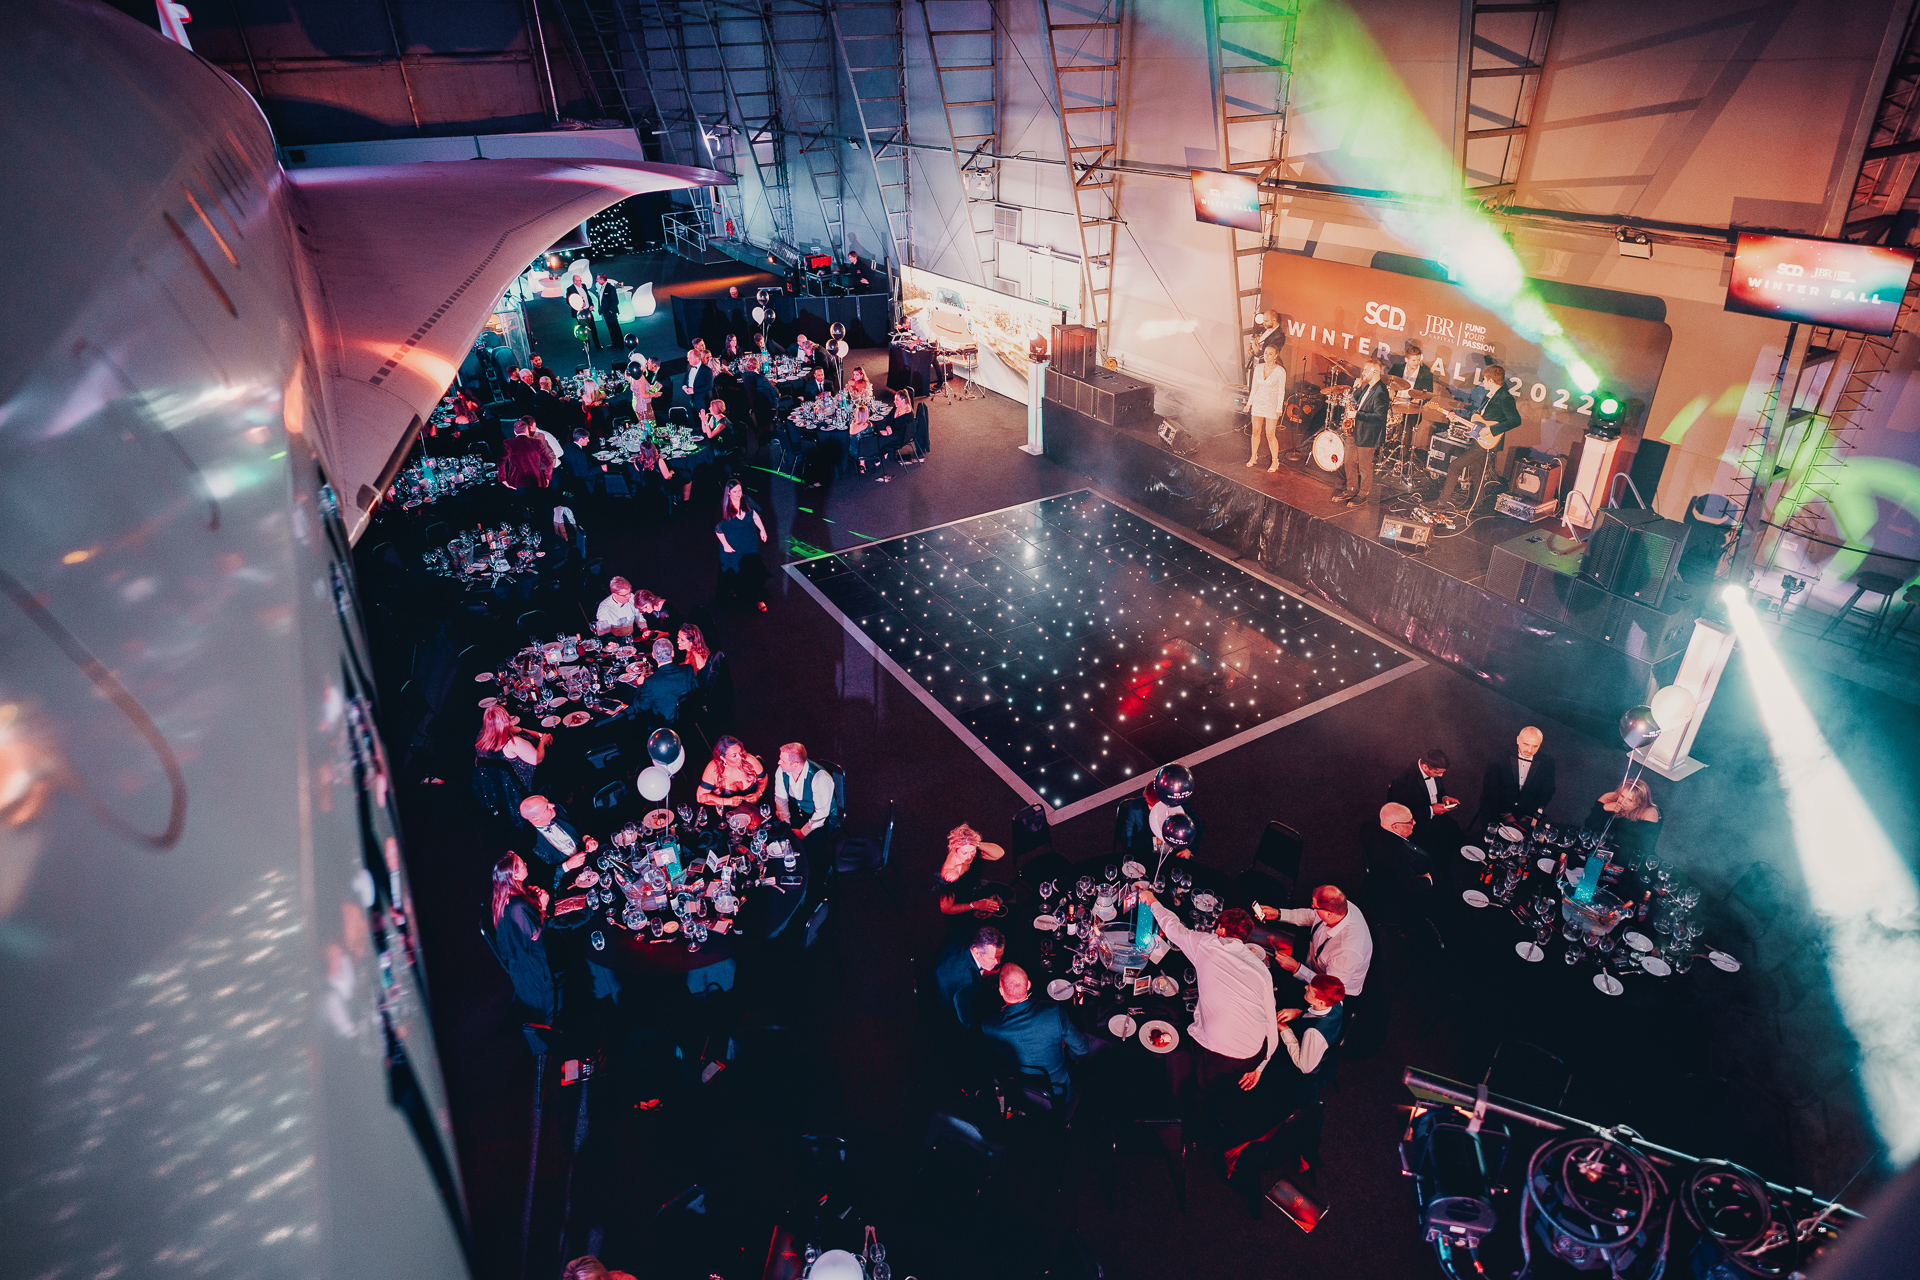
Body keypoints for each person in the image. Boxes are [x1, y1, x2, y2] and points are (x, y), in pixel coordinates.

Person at [1138, 890, 1279, 1127]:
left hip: (1219, 1052)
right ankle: (1226, 1109)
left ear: (1221, 930)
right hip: (1254, 1053)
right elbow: (1270, 1025)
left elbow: (1172, 927)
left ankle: (1194, 1129)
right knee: (1229, 1087)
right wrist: (1261, 1066)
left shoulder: (1208, 944)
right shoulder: (1261, 968)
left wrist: (1152, 900)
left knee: (1202, 1087)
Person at [978, 964, 1095, 1100]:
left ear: (1001, 991)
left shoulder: (989, 1026)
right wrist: (1063, 1049)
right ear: (1028, 985)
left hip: (1020, 1092)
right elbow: (1083, 1048)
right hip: (1058, 1091)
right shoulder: (1053, 1012)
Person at [1259, 885, 1373, 997]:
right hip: (1312, 960)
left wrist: (1296, 968)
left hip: (1326, 990)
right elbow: (1311, 916)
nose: (1312, 906)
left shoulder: (1347, 953)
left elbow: (1329, 987)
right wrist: (1279, 914)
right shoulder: (1340, 906)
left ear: (1329, 913)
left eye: (1315, 906)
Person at [1438, 363, 1521, 509]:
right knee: (1477, 472)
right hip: (1479, 440)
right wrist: (1455, 417)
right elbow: (1477, 419)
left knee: (1454, 467)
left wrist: (1492, 430)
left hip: (1488, 440)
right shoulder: (1489, 397)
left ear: (1491, 380)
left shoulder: (1505, 397)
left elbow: (1515, 420)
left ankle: (1442, 502)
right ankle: (1477, 504)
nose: (1482, 382)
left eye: (1484, 379)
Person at [489, 853, 557, 1019]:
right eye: (522, 863)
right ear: (515, 875)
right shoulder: (517, 907)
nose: (526, 863)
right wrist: (543, 906)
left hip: (518, 965)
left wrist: (530, 892)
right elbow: (536, 935)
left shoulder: (503, 897)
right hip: (533, 972)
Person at [1361, 803, 1434, 933]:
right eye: (1410, 822)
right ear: (1395, 826)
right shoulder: (1400, 856)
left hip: (1379, 879)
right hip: (1397, 901)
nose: (1415, 823)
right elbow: (1411, 887)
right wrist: (1428, 881)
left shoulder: (1370, 829)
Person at [1271, 975, 1347, 1098]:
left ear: (1320, 1002)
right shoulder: (1336, 1003)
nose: (1306, 987)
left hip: (1303, 1075)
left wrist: (1285, 1030)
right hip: (1324, 1045)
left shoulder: (1314, 1033)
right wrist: (1298, 1012)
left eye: (1310, 989)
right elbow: (1316, 1014)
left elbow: (1304, 1067)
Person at [1114, 764, 1203, 864]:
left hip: (1173, 856)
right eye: (1149, 804)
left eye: (1155, 805)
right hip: (1145, 855)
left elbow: (1198, 826)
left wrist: (1189, 850)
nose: (1153, 809)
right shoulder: (1136, 806)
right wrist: (1154, 842)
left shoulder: (1180, 805)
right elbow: (1127, 840)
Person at [1477, 725, 1557, 832]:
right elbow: (1490, 787)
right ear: (1518, 740)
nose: (1529, 750)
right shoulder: (1499, 755)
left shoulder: (1548, 762)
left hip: (1526, 810)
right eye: (1526, 744)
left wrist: (1528, 815)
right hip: (1497, 805)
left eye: (1535, 746)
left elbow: (1547, 792)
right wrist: (1507, 814)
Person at [1335, 357, 1391, 506]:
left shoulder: (1381, 392)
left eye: (1366, 370)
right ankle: (1350, 490)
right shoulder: (1367, 386)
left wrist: (1357, 415)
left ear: (1375, 372)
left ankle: (1363, 494)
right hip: (1356, 431)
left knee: (1364, 467)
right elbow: (1355, 402)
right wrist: (1357, 389)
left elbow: (1379, 417)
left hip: (1368, 434)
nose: (1363, 372)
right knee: (1349, 461)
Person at [771, 742, 840, 860]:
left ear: (795, 764)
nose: (779, 762)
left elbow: (822, 814)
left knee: (811, 849)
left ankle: (821, 872)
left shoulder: (820, 778)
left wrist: (803, 832)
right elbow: (781, 799)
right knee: (778, 835)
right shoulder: (781, 771)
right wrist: (786, 825)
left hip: (820, 819)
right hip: (799, 810)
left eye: (783, 760)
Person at [1389, 748, 1462, 856]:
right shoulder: (1403, 781)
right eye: (1437, 772)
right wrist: (1431, 810)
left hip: (1437, 819)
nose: (1441, 776)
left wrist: (1444, 798)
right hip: (1418, 825)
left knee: (1459, 837)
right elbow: (1402, 815)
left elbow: (1439, 787)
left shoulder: (1433, 769)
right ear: (1424, 767)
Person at [715, 478, 771, 611]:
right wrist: (725, 545)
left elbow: (755, 516)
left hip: (749, 541)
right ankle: (738, 592)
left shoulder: (746, 500)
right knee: (736, 570)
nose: (738, 494)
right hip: (733, 544)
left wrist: (762, 529)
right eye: (735, 491)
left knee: (754, 569)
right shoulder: (723, 506)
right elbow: (718, 528)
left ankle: (759, 598)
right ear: (728, 492)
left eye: (740, 490)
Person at [933, 925, 1004, 1029]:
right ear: (976, 951)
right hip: (946, 1009)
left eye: (1000, 956)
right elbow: (967, 1020)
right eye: (993, 958)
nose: (998, 962)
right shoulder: (968, 982)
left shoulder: (963, 938)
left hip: (943, 971)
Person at [935, 823, 1007, 918]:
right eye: (964, 852)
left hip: (974, 887)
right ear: (955, 850)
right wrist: (975, 905)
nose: (969, 857)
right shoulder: (951, 874)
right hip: (964, 902)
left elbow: (999, 853)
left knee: (1006, 892)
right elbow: (946, 908)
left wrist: (974, 843)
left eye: (972, 851)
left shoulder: (971, 849)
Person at [519, 794, 597, 883]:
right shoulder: (529, 844)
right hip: (570, 879)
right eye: (547, 808)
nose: (552, 805)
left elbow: (577, 825)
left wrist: (587, 839)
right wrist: (567, 866)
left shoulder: (558, 810)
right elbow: (541, 875)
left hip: (591, 859)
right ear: (536, 819)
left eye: (548, 802)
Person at [1586, 777, 1662, 866]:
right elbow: (1588, 827)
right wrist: (1604, 808)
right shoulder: (1610, 798)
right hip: (1601, 850)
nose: (1623, 801)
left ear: (1640, 803)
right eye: (1622, 796)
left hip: (1629, 858)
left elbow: (1644, 847)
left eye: (1630, 800)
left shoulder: (1649, 812)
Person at [476, 704, 547, 793]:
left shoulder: (483, 734)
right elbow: (538, 758)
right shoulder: (513, 743)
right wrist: (543, 741)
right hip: (525, 783)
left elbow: (515, 729)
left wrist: (537, 734)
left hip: (502, 783)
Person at [633, 635, 696, 722]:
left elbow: (640, 707)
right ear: (673, 653)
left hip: (666, 726)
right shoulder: (688, 669)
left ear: (653, 656)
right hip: (689, 718)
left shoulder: (650, 683)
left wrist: (640, 685)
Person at [1244, 344, 1287, 472]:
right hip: (1258, 403)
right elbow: (1254, 387)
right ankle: (1253, 456)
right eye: (1266, 353)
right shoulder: (1258, 368)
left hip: (1271, 405)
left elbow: (1281, 391)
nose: (1267, 356)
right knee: (1256, 431)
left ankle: (1275, 461)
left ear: (1275, 356)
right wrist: (1249, 404)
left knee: (1270, 434)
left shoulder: (1280, 371)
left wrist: (1279, 408)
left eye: (1270, 354)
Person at [696, 735, 767, 811]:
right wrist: (727, 801)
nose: (740, 757)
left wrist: (758, 793)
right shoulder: (713, 769)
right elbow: (700, 797)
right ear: (723, 758)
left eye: (740, 752)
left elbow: (763, 779)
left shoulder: (750, 761)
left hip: (756, 806)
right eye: (734, 755)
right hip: (729, 812)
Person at [498, 417, 554, 499]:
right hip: (536, 481)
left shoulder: (508, 443)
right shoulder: (536, 443)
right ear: (527, 431)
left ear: (514, 432)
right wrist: (547, 478)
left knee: (521, 506)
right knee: (538, 504)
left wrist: (503, 479)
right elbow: (548, 462)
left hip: (516, 482)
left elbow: (500, 462)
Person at [892, 388, 929, 461]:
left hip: (901, 438)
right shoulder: (906, 408)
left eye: (897, 400)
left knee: (880, 440)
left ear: (903, 400)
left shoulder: (906, 414)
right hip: (904, 434)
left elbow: (895, 424)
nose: (894, 401)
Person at [560, 426, 598, 495]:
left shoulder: (566, 447)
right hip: (584, 483)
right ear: (580, 439)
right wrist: (601, 468)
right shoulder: (579, 453)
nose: (588, 440)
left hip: (571, 480)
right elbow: (586, 474)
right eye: (587, 439)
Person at [678, 349, 714, 418]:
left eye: (689, 358)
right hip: (692, 399)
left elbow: (709, 386)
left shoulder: (706, 370)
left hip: (702, 400)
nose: (688, 359)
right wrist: (684, 387)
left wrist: (694, 390)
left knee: (704, 420)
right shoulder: (689, 366)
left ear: (696, 358)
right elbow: (686, 379)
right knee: (695, 418)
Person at [596, 274, 623, 349]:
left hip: (611, 313)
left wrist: (611, 311)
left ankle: (620, 345)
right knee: (610, 329)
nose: (596, 280)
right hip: (605, 313)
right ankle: (614, 343)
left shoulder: (610, 288)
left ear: (602, 279)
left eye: (598, 279)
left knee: (616, 329)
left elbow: (615, 301)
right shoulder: (602, 287)